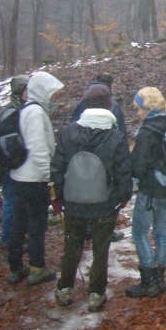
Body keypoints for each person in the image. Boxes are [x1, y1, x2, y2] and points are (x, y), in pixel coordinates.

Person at [50, 84, 132, 312]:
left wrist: (57, 196)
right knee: (101, 248)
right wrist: (121, 199)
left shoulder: (67, 133)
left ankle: (64, 289)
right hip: (104, 204)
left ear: (85, 105)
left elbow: (57, 167)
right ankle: (96, 294)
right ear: (108, 105)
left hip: (73, 202)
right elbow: (124, 172)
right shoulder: (116, 136)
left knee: (72, 246)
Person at [7, 71, 64, 285]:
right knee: (36, 225)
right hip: (34, 179)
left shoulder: (26, 110)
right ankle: (37, 268)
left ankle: (15, 267)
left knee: (19, 223)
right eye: (51, 93)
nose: (53, 97)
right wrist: (48, 176)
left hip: (20, 176)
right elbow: (38, 148)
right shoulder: (36, 113)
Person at [125, 87, 166, 298]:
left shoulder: (147, 131)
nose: (137, 112)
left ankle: (148, 281)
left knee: (140, 233)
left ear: (146, 106)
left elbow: (138, 166)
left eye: (138, 107)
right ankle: (160, 279)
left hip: (150, 192)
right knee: (160, 232)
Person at [71, 73, 127, 242]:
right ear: (110, 86)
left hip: (82, 156)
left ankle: (87, 228)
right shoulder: (112, 105)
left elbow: (73, 125)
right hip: (106, 156)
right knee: (105, 193)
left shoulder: (84, 102)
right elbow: (120, 131)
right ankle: (104, 230)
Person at [0, 74, 29, 247]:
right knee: (12, 200)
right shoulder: (13, 112)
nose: (30, 92)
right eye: (27, 89)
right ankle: (8, 239)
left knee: (16, 200)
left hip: (8, 163)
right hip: (8, 165)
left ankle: (14, 235)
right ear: (20, 91)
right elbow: (10, 143)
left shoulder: (16, 108)